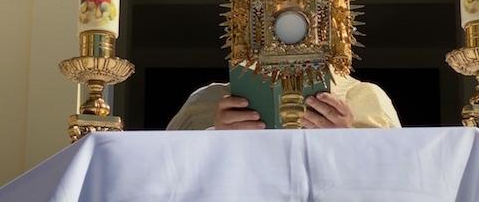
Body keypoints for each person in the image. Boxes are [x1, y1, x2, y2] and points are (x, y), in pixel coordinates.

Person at [167, 71, 401, 130]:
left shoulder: (368, 98)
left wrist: (347, 144)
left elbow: (398, 185)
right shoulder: (204, 103)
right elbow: (168, 181)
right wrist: (215, 140)